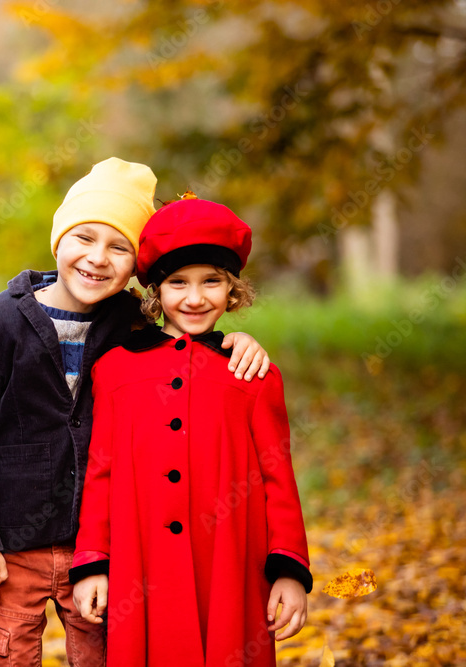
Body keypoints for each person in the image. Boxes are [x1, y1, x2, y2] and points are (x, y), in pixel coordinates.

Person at [0, 159, 272, 666]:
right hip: (11, 547)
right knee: (8, 654)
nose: (98, 259)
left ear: (136, 267)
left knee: (102, 655)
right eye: (85, 238)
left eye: (119, 247)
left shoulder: (130, 323)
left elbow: (184, 348)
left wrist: (234, 341)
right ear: (58, 241)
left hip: (102, 550)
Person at [71, 196, 312, 666]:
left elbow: (279, 475)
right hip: (140, 569)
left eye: (212, 282)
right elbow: (101, 472)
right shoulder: (115, 370)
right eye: (178, 282)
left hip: (231, 566)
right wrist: (93, 563)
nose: (195, 298)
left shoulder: (253, 373)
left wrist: (288, 568)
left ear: (233, 291)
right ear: (155, 292)